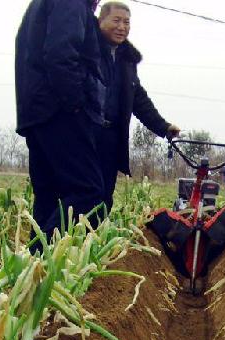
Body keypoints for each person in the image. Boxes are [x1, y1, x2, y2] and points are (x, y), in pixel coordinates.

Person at [15, 0, 107, 247]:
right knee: (87, 192)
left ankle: (30, 275)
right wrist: (76, 103)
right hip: (60, 113)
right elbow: (60, 55)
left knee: (49, 196)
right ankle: (41, 257)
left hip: (37, 113)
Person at [96, 1, 180, 215]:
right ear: (100, 20)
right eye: (116, 20)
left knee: (104, 196)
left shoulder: (126, 60)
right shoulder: (88, 50)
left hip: (111, 138)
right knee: (82, 194)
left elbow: (138, 99)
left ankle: (94, 243)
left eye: (126, 22)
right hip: (85, 135)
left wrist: (163, 127)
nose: (122, 27)